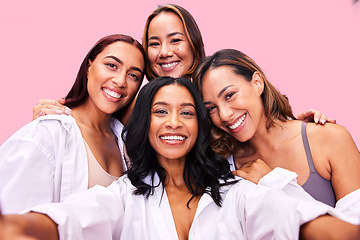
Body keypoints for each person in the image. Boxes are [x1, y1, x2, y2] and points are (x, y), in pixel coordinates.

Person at [1, 77, 359, 240]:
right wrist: (15, 227)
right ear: (145, 123)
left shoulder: (239, 189)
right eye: (160, 111)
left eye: (187, 112)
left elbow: (294, 220)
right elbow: (68, 221)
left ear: (201, 126)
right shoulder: (123, 197)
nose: (174, 122)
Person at [31, 4, 333, 125]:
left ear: (194, 44)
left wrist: (296, 126)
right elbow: (91, 129)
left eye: (175, 40)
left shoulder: (217, 97)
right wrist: (56, 117)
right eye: (153, 43)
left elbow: (258, 128)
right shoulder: (128, 107)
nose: (164, 52)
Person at [193, 49, 360, 221]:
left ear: (257, 83)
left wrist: (273, 183)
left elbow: (353, 230)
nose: (224, 115)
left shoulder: (328, 138)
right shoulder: (225, 167)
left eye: (229, 95)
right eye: (211, 108)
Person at [0, 34, 146, 214]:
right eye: (111, 65)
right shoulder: (47, 134)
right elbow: (15, 224)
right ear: (88, 66)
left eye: (133, 75)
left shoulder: (126, 145)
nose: (121, 81)